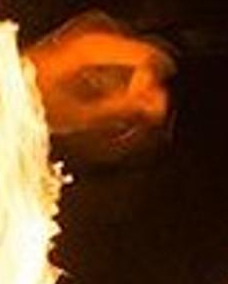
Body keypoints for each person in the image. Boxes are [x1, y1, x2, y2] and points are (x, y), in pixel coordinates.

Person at [21, 8, 177, 167]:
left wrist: (119, 106)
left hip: (21, 117)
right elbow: (79, 51)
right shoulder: (101, 34)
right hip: (18, 82)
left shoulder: (115, 131)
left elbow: (68, 117)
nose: (145, 99)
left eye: (145, 111)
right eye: (150, 94)